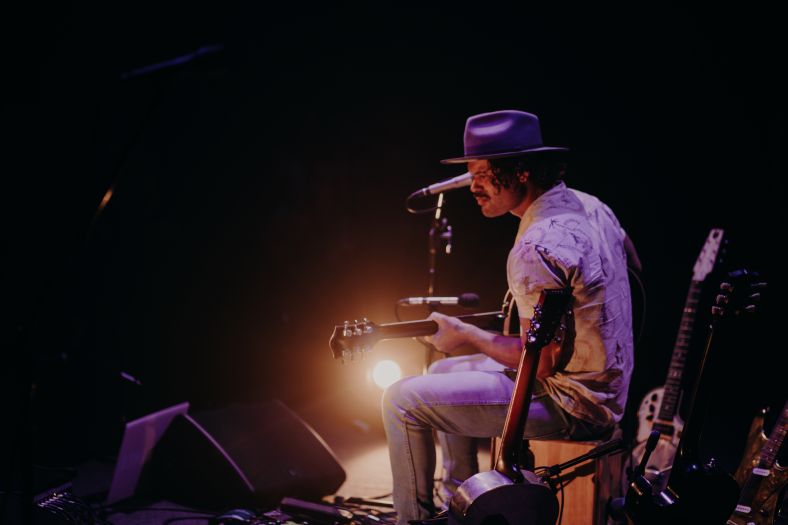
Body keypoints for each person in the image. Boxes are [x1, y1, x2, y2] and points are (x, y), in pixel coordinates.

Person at [381, 110, 637, 525]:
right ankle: (464, 503)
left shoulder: (535, 246)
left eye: (482, 174)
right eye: (470, 174)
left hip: (574, 406)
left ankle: (413, 521)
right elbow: (634, 269)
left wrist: (466, 332)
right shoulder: (591, 206)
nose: (473, 187)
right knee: (445, 370)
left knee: (400, 400)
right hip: (606, 390)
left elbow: (540, 363)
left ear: (520, 172)